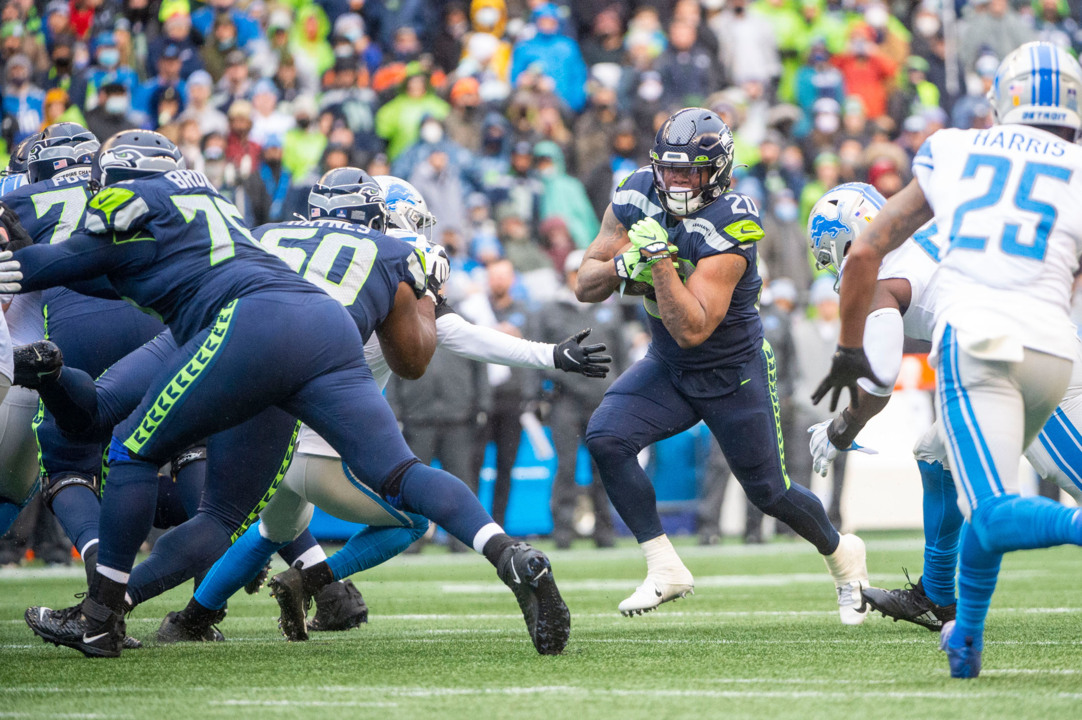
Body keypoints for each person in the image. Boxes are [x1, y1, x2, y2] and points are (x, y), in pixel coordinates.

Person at [9, 133, 569, 658]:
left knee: (136, 453)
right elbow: (413, 362)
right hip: (323, 334)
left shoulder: (263, 227)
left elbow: (75, 260)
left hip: (239, 322)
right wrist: (424, 294)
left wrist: (21, 256)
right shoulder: (383, 249)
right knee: (397, 473)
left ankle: (101, 616)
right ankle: (507, 554)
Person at [812, 43, 1082, 678]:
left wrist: (839, 428)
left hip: (996, 351)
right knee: (936, 451)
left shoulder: (952, 155)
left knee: (1011, 501)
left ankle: (947, 602)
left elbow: (875, 382)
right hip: (1047, 338)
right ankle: (941, 598)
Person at [574, 107, 868, 621]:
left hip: (733, 370)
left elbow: (694, 328)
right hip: (668, 365)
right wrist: (626, 262)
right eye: (670, 168)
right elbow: (584, 284)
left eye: (691, 170)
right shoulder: (638, 190)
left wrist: (659, 263)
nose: (678, 181)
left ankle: (844, 559)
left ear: (721, 172)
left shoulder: (734, 219)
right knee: (605, 436)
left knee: (770, 494)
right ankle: (664, 566)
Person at [537, 249, 626, 549]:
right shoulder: (551, 310)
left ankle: (605, 531)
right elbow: (539, 354)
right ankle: (563, 532)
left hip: (604, 400)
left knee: (605, 468)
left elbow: (622, 357)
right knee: (566, 468)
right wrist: (535, 395)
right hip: (565, 399)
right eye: (576, 272)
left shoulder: (609, 309)